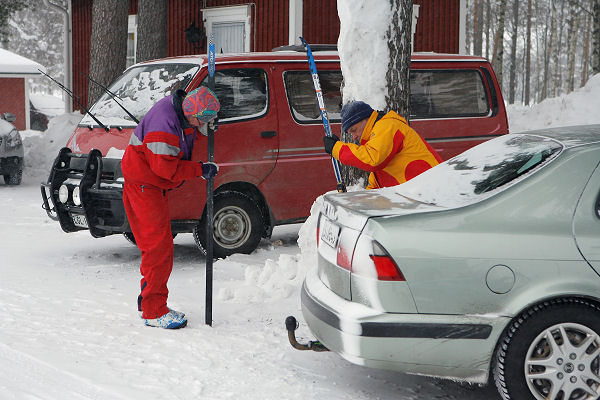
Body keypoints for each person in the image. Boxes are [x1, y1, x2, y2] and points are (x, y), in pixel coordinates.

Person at [121, 86, 220, 329]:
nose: (206, 124)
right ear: (193, 114)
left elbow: (183, 137)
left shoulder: (180, 110)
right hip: (146, 186)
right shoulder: (163, 127)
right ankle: (153, 311)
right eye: (205, 120)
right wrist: (200, 170)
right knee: (159, 250)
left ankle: (148, 298)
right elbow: (166, 169)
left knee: (155, 247)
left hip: (147, 185)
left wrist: (202, 131)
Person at [323, 101, 442, 189]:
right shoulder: (378, 139)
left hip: (431, 190)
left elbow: (373, 159)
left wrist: (337, 149)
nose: (353, 137)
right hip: (420, 193)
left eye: (354, 130)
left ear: (365, 119)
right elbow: (377, 182)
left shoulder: (387, 126)